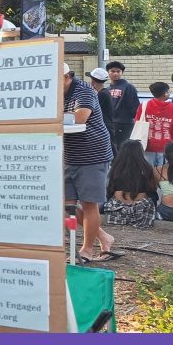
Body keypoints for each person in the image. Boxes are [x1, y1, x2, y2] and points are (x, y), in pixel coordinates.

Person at [63, 59, 116, 263]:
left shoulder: (83, 90)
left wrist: (52, 115)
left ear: (68, 77)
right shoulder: (54, 91)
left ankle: (86, 250)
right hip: (68, 154)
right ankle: (102, 236)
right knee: (65, 205)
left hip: (92, 154)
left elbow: (79, 117)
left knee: (88, 203)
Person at [98, 60, 142, 156]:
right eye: (112, 71)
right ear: (108, 72)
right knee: (112, 149)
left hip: (124, 123)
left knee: (121, 150)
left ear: (122, 73)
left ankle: (122, 170)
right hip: (110, 123)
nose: (115, 74)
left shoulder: (128, 87)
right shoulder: (108, 89)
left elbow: (135, 107)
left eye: (118, 71)